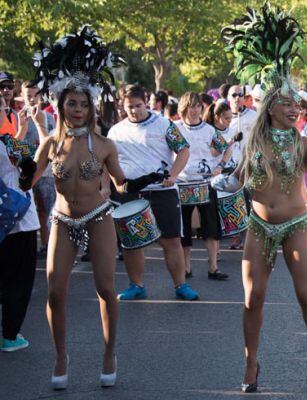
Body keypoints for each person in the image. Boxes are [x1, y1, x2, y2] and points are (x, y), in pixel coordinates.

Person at [29, 27, 166, 389]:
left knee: (106, 289)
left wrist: (138, 182)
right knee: (55, 290)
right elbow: (29, 181)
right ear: (61, 106)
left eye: (83, 103)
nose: (77, 109)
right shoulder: (49, 145)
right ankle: (61, 355)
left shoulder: (104, 145)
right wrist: (20, 161)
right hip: (61, 218)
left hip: (98, 217)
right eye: (71, 103)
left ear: (92, 107)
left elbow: (120, 183)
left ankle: (109, 352)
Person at [218, 5, 307, 391]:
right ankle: (251, 363)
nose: (294, 108)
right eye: (286, 103)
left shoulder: (306, 142)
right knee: (253, 299)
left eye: (296, 103)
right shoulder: (254, 141)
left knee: (306, 296)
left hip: (297, 225)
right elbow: (238, 182)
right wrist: (223, 184)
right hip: (260, 226)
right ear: (270, 107)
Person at [109, 84, 200, 301]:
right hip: (131, 193)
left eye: (138, 105)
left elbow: (183, 150)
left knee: (171, 240)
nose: (133, 110)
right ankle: (136, 285)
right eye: (129, 107)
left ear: (146, 101)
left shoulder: (163, 124)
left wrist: (173, 175)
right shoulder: (116, 131)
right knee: (132, 242)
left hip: (162, 191)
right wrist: (110, 186)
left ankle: (181, 286)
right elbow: (109, 162)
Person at [175, 92, 230, 280]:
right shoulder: (174, 128)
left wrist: (221, 166)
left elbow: (226, 147)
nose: (195, 110)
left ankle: (213, 267)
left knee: (211, 228)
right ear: (184, 108)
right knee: (184, 229)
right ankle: (186, 267)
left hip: (205, 183)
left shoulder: (209, 130)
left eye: (198, 106)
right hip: (182, 183)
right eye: (191, 106)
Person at [0, 95, 39, 354]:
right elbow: (30, 172)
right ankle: (10, 335)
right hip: (18, 221)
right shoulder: (9, 143)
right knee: (19, 280)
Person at [17, 81, 56, 256]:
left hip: (46, 173)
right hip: (25, 172)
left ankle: (48, 245)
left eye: (35, 95)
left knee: (47, 211)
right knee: (27, 210)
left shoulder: (47, 118)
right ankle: (31, 245)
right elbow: (16, 144)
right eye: (28, 96)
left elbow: (52, 145)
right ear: (23, 96)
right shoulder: (20, 117)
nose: (32, 99)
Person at [224, 84, 256, 250]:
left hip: (250, 165)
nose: (237, 98)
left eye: (239, 95)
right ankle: (238, 236)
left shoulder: (253, 116)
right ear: (228, 97)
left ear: (244, 98)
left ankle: (253, 237)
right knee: (235, 202)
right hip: (230, 166)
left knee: (251, 202)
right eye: (233, 95)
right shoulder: (223, 117)